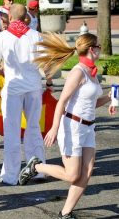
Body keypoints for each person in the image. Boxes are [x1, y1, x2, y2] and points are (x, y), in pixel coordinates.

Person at [19, 32, 114, 219]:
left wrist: (109, 97)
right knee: (72, 175)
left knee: (85, 173)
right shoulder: (78, 71)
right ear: (92, 49)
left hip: (88, 127)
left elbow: (90, 103)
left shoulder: (92, 72)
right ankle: (36, 167)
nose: (100, 50)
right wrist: (54, 128)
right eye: (99, 47)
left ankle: (65, 213)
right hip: (72, 127)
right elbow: (62, 102)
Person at [0, 3, 52, 186]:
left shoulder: (2, 37)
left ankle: (10, 175)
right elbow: (46, 65)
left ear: (9, 17)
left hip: (13, 88)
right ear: (26, 18)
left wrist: (4, 72)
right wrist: (48, 82)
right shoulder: (35, 35)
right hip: (33, 87)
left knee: (12, 131)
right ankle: (38, 170)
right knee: (33, 129)